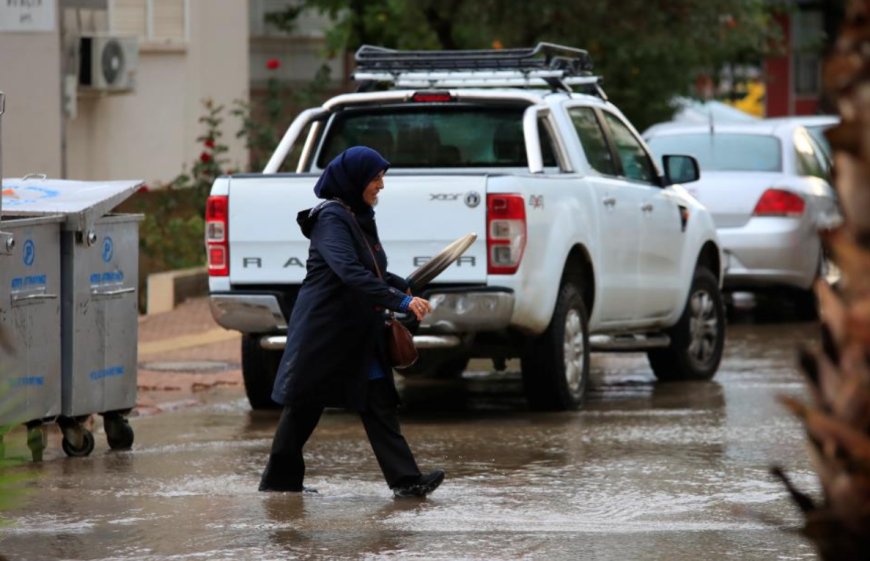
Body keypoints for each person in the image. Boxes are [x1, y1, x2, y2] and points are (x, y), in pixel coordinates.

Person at [258, 145, 445, 499]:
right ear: (354, 180)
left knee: (378, 402)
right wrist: (401, 300)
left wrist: (399, 284)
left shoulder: (355, 215)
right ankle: (280, 481)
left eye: (381, 178)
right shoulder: (331, 218)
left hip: (358, 330)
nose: (381, 186)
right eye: (375, 178)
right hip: (325, 331)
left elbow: (372, 270)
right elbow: (349, 272)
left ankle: (407, 481)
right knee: (303, 407)